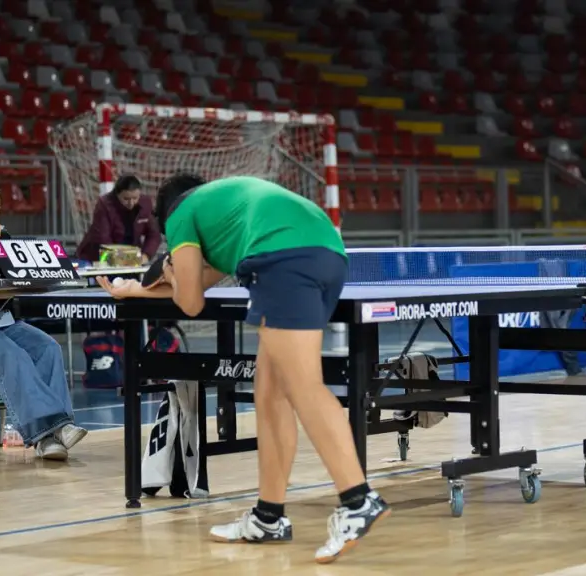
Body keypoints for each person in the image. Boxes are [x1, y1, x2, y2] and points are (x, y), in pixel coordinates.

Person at [94, 174, 389, 563]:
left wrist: (169, 274)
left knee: (304, 387)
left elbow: (191, 303)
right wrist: (135, 289)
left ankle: (357, 500)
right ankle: (268, 516)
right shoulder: (222, 208)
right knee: (270, 394)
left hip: (283, 259)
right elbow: (199, 282)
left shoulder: (181, 214)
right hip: (325, 252)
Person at [0, 178, 88, 460]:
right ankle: (55, 428)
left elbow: (15, 280)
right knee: (10, 354)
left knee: (47, 347)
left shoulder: (2, 239)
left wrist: (5, 247)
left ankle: (50, 440)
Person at [76, 174, 161, 264]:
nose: (131, 203)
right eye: (126, 199)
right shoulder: (104, 204)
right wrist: (120, 259)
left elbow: (154, 234)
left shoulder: (145, 203)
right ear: (117, 195)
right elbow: (102, 238)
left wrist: (146, 255)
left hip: (130, 257)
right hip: (99, 257)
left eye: (135, 198)